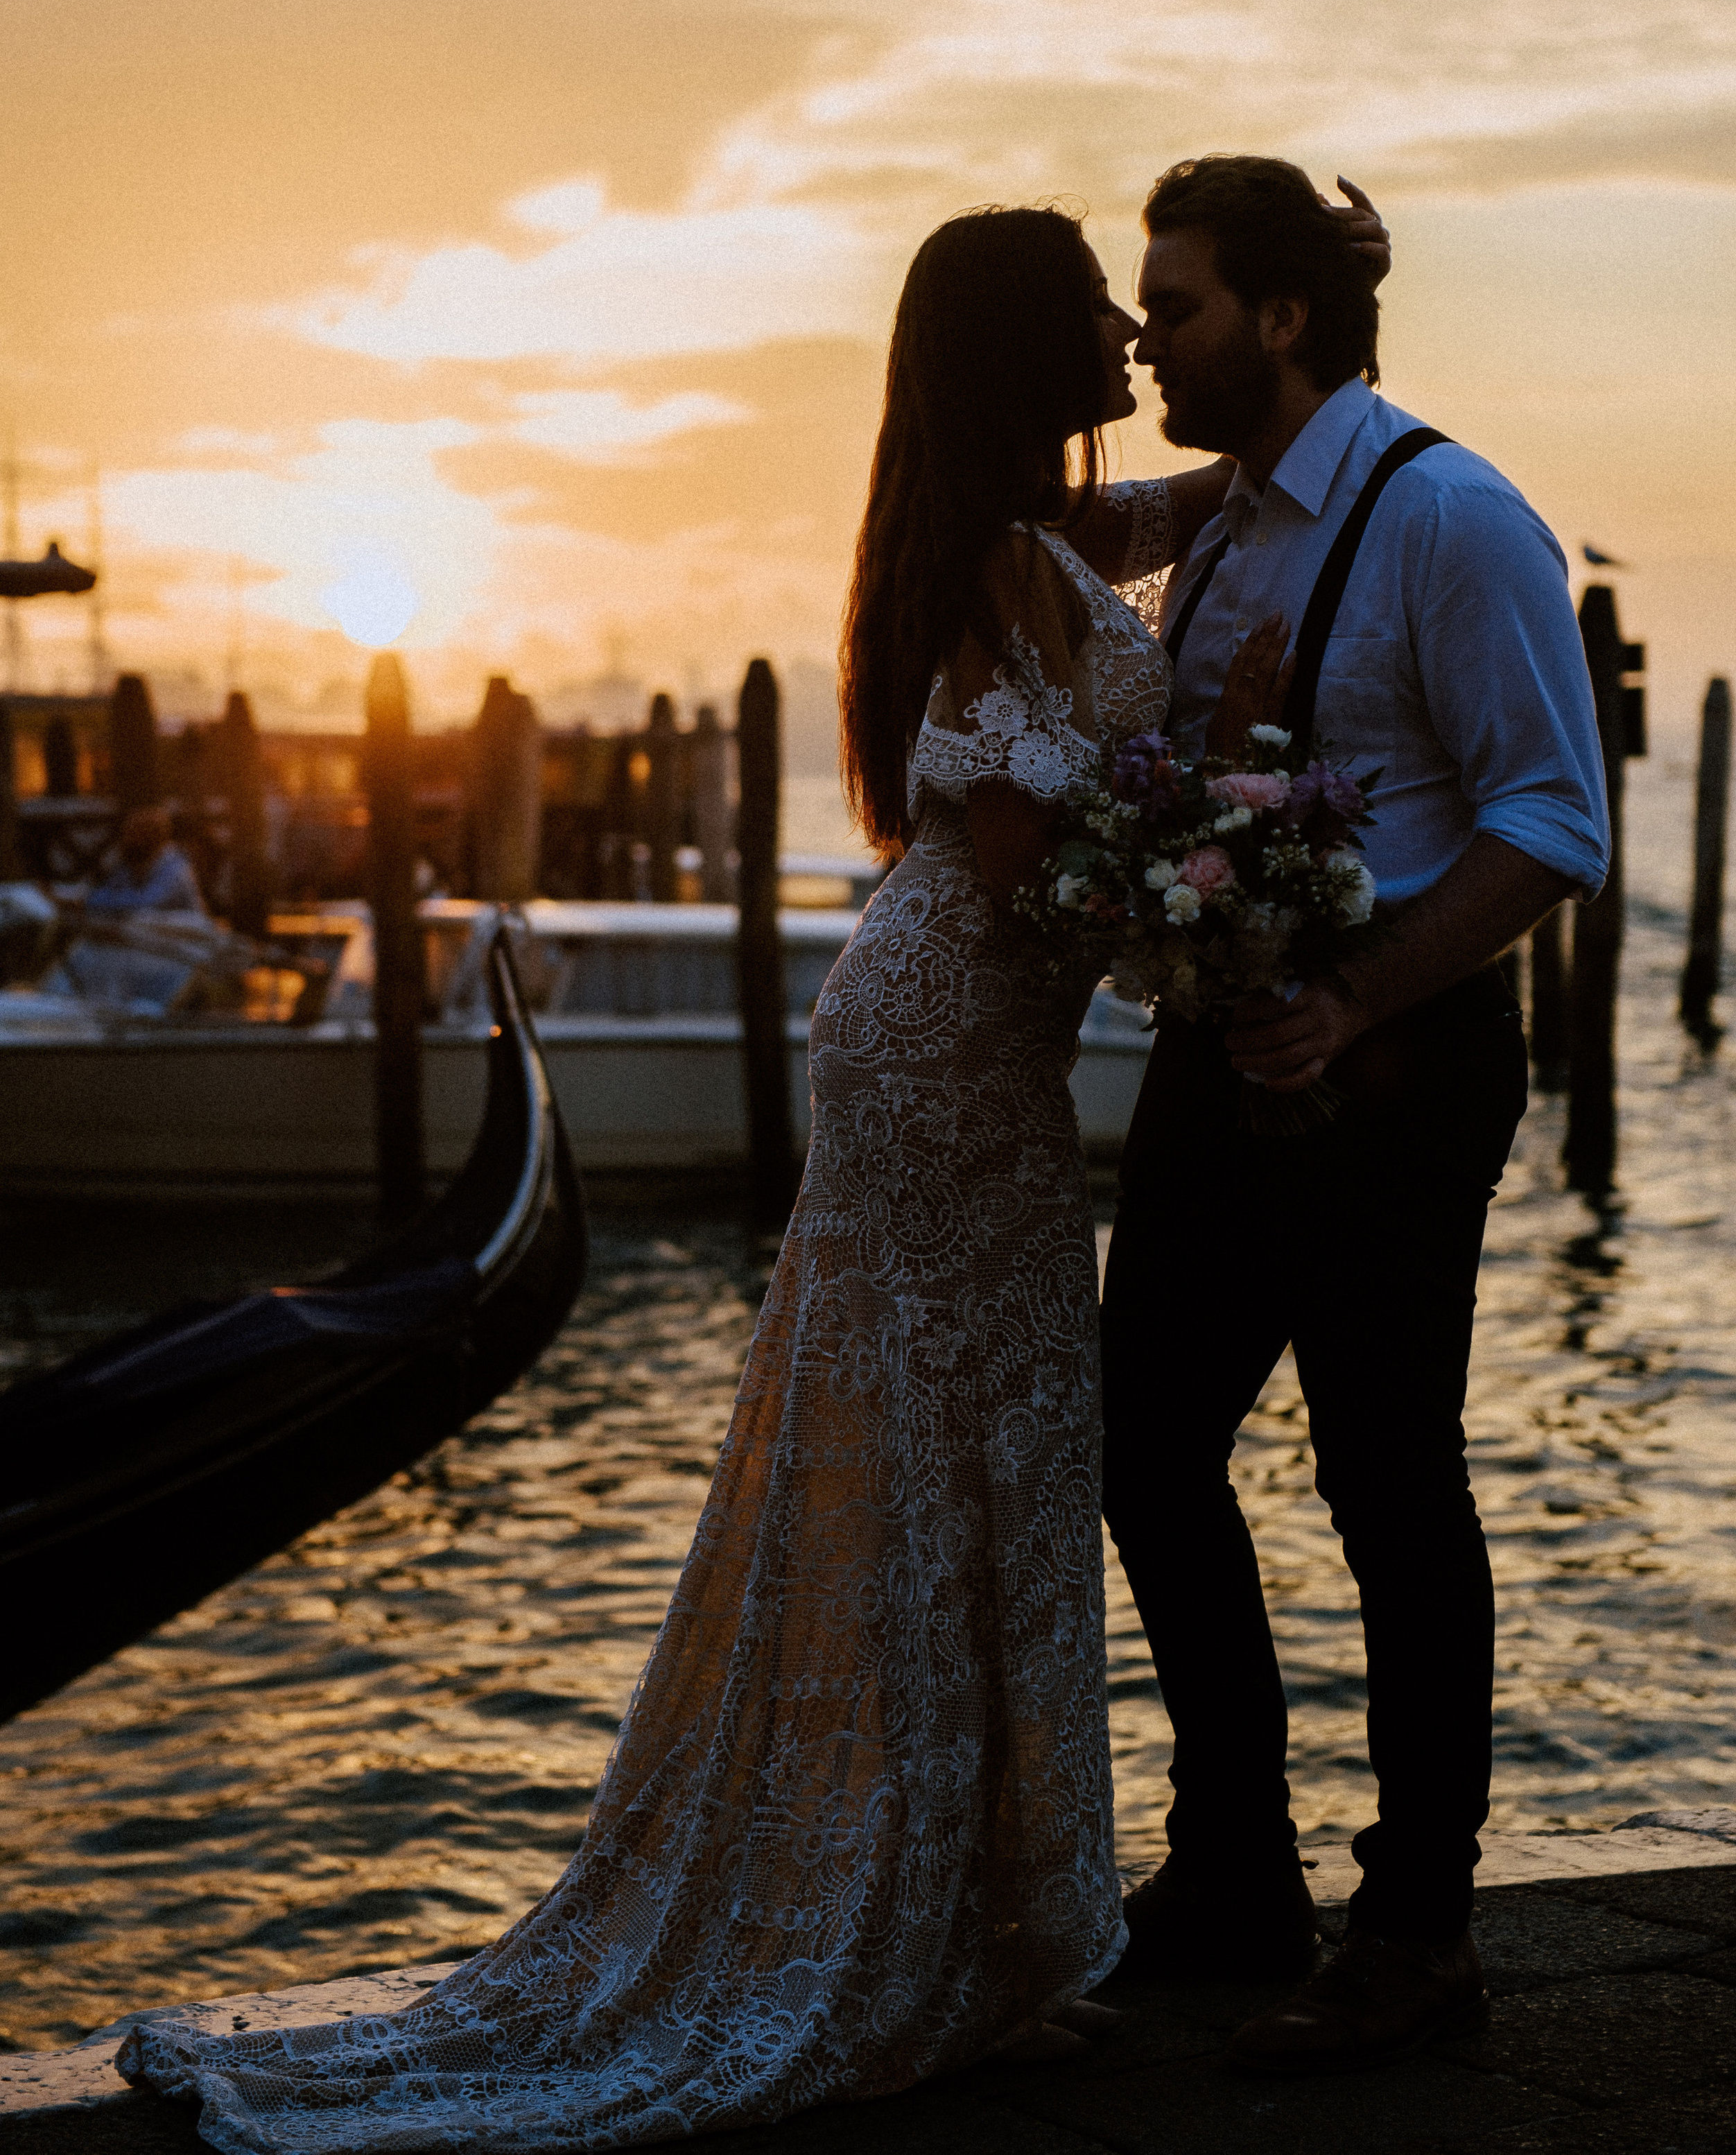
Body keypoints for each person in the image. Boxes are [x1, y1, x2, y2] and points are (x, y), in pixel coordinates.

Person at [118, 190, 1386, 2151]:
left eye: (1146, 316)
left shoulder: (1038, 538)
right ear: (1015, 352)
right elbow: (1009, 860)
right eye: (1094, 313)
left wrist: (1327, 350)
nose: (1130, 345)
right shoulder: (995, 562)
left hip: (957, 1056)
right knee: (940, 1482)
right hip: (948, 1060)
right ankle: (904, 1945)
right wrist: (1205, 868)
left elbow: (1224, 502)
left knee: (969, 1476)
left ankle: (961, 1936)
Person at [1100, 155, 1609, 2073]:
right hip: (1224, 1051)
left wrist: (1351, 998)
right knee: (1141, 1436)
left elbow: (1555, 819)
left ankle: (1419, 1935)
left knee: (1389, 1481)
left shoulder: (1454, 518)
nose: (1156, 332)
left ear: (1284, 317)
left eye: (1181, 302)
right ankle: (1233, 1865)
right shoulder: (1224, 526)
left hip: (1395, 1068)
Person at [86, 806, 207, 917]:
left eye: (133, 834)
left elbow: (147, 902)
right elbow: (102, 892)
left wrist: (91, 900)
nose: (125, 840)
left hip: (188, 937)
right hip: (151, 936)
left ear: (153, 837)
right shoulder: (131, 864)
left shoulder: (176, 866)